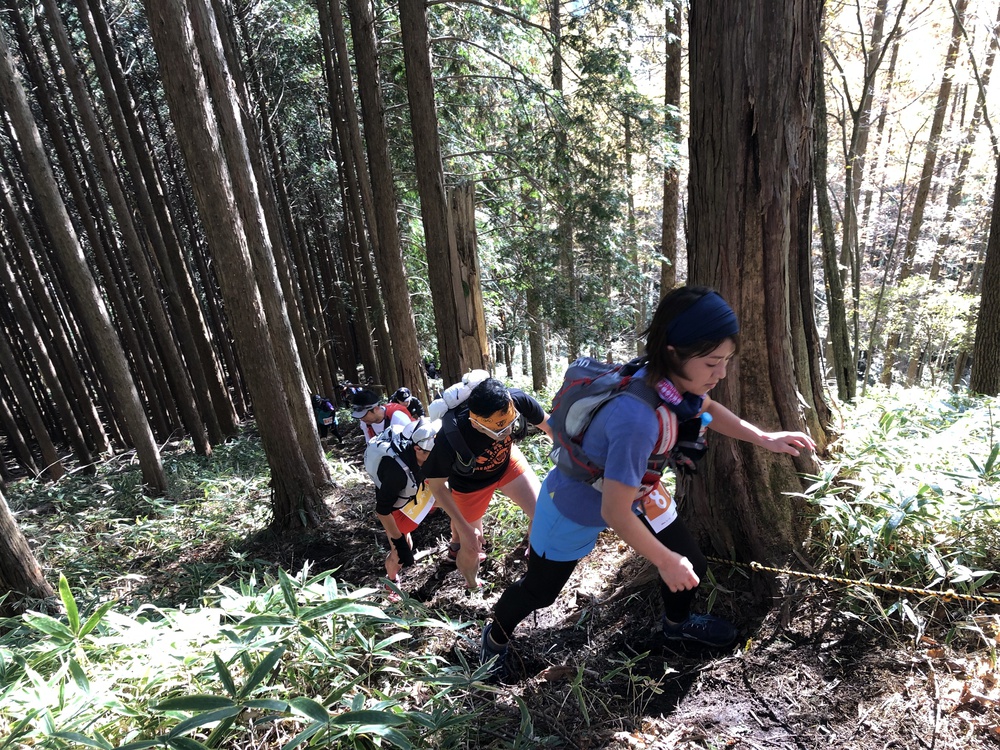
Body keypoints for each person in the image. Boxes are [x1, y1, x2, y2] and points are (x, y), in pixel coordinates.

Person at [480, 286, 816, 677]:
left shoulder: (672, 384)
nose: (721, 373)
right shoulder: (636, 418)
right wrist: (664, 560)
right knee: (540, 591)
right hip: (574, 505)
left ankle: (676, 628)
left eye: (726, 361)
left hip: (638, 492)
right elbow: (614, 512)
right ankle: (495, 638)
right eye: (711, 363)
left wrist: (762, 437)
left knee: (691, 563)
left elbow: (706, 409)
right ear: (674, 351)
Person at [422, 377, 552, 589]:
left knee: (543, 514)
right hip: (469, 486)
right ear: (476, 423)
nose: (507, 433)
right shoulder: (452, 436)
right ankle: (471, 584)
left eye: (511, 425)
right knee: (472, 546)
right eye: (499, 431)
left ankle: (536, 559)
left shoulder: (516, 399)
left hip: (508, 463)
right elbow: (436, 486)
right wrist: (464, 529)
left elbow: (550, 427)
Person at [363, 417, 441, 584]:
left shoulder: (423, 451)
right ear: (418, 449)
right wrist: (398, 543)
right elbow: (383, 510)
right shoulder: (396, 473)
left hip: (412, 491)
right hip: (394, 510)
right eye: (433, 454)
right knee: (399, 552)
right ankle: (391, 582)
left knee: (453, 500)